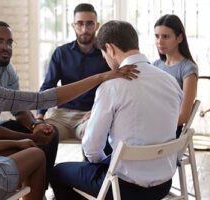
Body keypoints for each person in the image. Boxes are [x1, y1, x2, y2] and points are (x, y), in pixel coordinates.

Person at [0, 21, 137, 200]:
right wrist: (101, 77)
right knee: (37, 156)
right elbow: (44, 98)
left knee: (23, 150)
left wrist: (17, 141)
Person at [50, 20, 183, 200]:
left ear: (110, 49)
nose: (105, 58)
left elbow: (91, 148)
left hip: (123, 189)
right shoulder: (170, 81)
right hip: (163, 184)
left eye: (104, 53)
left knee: (58, 173)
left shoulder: (112, 86)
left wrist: (103, 164)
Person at [0, 21, 58, 188]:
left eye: (9, 42)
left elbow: (19, 109)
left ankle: (40, 189)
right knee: (35, 147)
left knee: (50, 134)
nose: (6, 47)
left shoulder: (7, 69)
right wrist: (30, 138)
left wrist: (34, 126)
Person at [37, 3, 110, 141]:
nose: (84, 29)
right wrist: (40, 115)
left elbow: (114, 88)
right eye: (80, 24)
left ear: (97, 25)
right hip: (61, 115)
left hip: (90, 114)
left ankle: (89, 164)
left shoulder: (106, 55)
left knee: (94, 137)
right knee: (43, 136)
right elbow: (48, 85)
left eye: (89, 24)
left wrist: (99, 111)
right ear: (73, 25)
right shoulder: (61, 53)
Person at [153, 14, 198, 138]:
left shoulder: (188, 69)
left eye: (166, 37)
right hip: (151, 122)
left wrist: (155, 124)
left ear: (179, 38)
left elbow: (183, 116)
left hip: (170, 129)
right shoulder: (156, 65)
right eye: (157, 36)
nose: (159, 42)